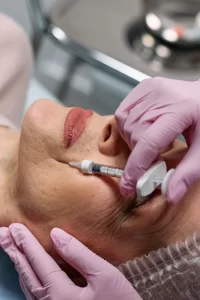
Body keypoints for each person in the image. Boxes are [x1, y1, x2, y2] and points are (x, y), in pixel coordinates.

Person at [1, 13, 200, 300]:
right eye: (170, 142)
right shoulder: (8, 50)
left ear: (76, 274)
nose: (117, 129)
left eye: (145, 189)